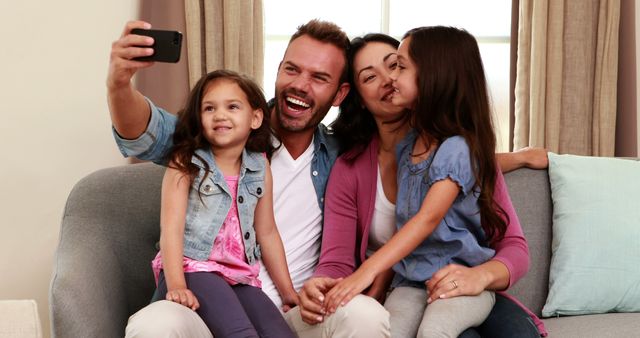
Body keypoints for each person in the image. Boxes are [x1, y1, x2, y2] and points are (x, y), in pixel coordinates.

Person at [108, 19, 390, 338]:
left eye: (319, 78)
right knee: (154, 324)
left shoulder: (344, 157)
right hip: (201, 306)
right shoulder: (214, 137)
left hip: (291, 313)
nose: (300, 84)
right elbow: (146, 132)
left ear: (339, 94)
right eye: (292, 69)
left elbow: (272, 232)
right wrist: (119, 84)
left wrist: (306, 291)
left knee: (365, 314)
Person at [314, 28, 547, 337]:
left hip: (468, 282)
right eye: (370, 77)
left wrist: (480, 276)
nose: (388, 79)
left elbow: (455, 186)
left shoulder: (461, 149)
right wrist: (330, 289)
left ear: (429, 76)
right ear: (358, 100)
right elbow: (340, 257)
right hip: (409, 284)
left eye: (395, 64)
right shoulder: (376, 160)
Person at [151, 69, 297, 337]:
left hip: (239, 275)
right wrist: (176, 285)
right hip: (193, 267)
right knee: (241, 333)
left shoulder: (259, 165)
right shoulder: (185, 162)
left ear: (255, 118)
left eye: (232, 106)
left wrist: (289, 293)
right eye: (209, 108)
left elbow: (267, 232)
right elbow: (170, 229)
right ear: (199, 118)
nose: (220, 115)